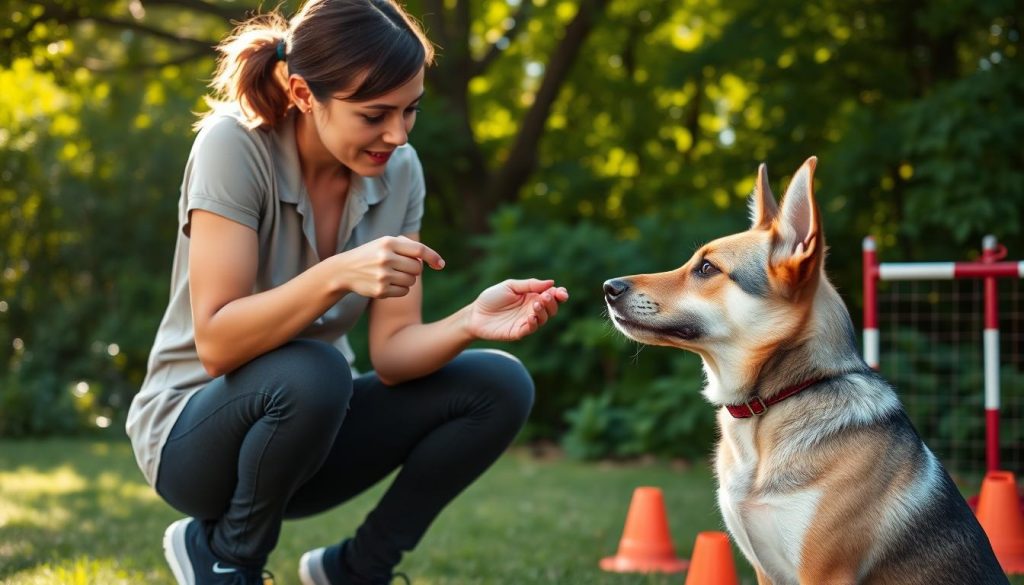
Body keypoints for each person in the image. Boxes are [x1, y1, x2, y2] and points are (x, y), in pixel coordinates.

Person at [125, 1, 570, 584]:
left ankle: (357, 571)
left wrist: (468, 322)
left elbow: (392, 354)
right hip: (193, 438)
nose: (397, 134)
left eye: (410, 110)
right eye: (374, 114)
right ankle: (226, 559)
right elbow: (216, 343)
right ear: (306, 95)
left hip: (308, 434)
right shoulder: (232, 147)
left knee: (499, 383)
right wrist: (335, 273)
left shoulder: (400, 169)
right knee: (315, 370)